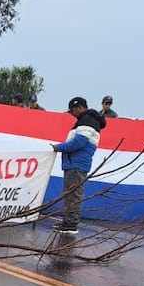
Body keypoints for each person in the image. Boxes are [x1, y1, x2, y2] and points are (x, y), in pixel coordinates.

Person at [50, 96, 106, 237]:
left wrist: (59, 147)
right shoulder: (88, 120)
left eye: (72, 111)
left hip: (76, 163)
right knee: (70, 194)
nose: (71, 114)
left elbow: (78, 143)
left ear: (79, 108)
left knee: (73, 195)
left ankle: (71, 224)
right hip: (74, 163)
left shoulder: (87, 121)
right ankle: (68, 222)